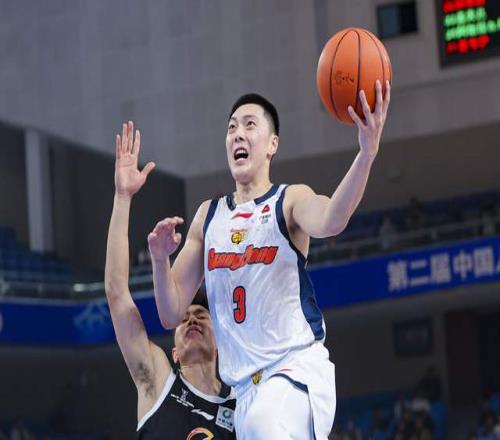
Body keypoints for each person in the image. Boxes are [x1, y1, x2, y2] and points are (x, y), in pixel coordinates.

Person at [147, 80, 391, 439]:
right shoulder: (208, 217)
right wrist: (159, 260)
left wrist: (366, 154)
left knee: (267, 425)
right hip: (245, 394)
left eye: (250, 125)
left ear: (272, 144)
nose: (238, 134)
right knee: (261, 423)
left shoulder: (289, 200)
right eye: (232, 127)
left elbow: (331, 219)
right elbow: (170, 313)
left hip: (293, 371)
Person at [105, 124, 236, 439]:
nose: (192, 319)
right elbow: (117, 294)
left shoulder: (242, 404)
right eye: (185, 318)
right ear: (174, 353)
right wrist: (122, 197)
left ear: (220, 343)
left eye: (201, 315)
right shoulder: (158, 380)